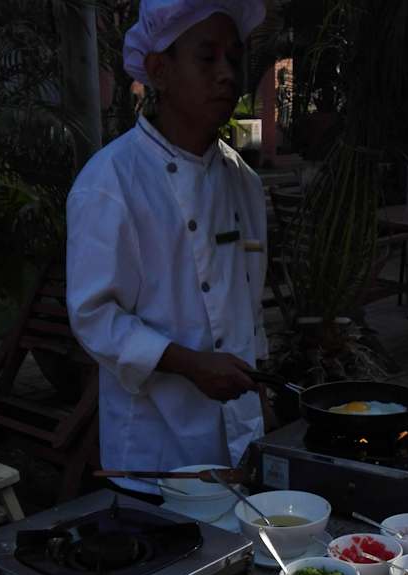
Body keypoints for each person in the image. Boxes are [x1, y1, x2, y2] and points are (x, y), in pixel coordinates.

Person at [66, 0, 268, 496]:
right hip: (153, 450)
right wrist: (191, 364)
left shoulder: (243, 181)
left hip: (240, 438)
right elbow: (94, 316)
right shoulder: (110, 181)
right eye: (207, 57)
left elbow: (248, 309)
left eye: (233, 57)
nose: (227, 74)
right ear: (159, 70)